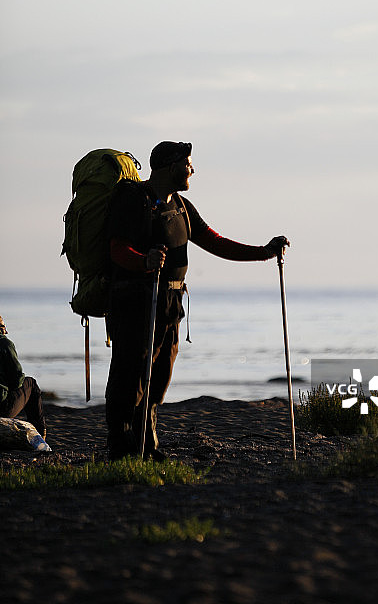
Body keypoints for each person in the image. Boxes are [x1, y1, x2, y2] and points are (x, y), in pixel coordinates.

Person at [105, 140, 289, 460]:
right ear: (169, 165)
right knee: (130, 376)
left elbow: (215, 242)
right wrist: (144, 261)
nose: (192, 169)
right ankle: (121, 449)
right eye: (187, 163)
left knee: (158, 377)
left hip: (171, 303)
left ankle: (147, 445)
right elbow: (117, 248)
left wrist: (263, 253)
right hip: (136, 301)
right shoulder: (134, 199)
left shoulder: (182, 208)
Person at [0, 315, 47, 438]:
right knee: (31, 383)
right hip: (2, 408)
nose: (6, 331)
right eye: (4, 327)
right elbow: (16, 380)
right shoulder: (4, 344)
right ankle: (40, 435)